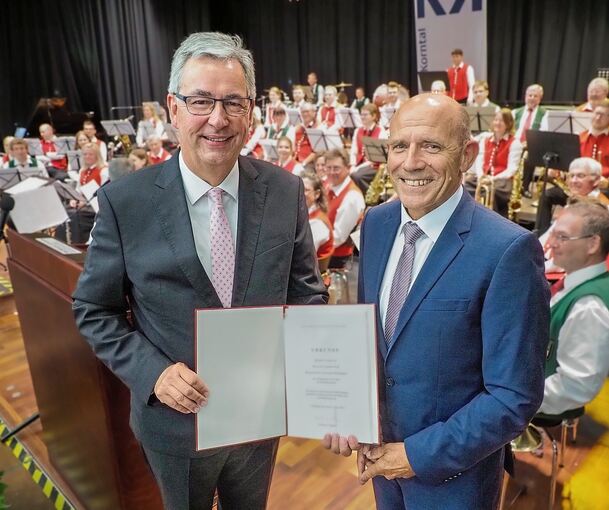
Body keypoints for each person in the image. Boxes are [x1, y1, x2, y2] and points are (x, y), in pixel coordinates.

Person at [72, 31, 327, 510]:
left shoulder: (286, 191)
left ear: (251, 111)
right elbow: (93, 310)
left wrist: (320, 369)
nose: (218, 118)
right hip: (174, 425)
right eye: (201, 100)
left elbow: (307, 294)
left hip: (258, 420)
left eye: (233, 102)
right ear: (172, 108)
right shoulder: (124, 202)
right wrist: (154, 373)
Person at [323, 93, 549, 509]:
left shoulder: (508, 250)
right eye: (398, 146)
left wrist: (412, 457)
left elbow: (513, 396)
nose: (410, 162)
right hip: (378, 463)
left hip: (454, 479)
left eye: (431, 146)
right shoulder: (376, 223)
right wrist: (345, 410)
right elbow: (373, 342)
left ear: (467, 155)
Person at [537, 202, 609, 417]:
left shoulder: (589, 306)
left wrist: (515, 398)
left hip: (538, 397)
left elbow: (577, 385)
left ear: (593, 244)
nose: (551, 244)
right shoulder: (579, 282)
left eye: (562, 237)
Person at [465, 108, 523, 217]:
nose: (497, 123)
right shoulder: (485, 139)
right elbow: (480, 161)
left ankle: (491, 220)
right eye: (496, 120)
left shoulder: (515, 143)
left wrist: (492, 179)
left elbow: (511, 169)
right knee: (465, 187)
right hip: (484, 176)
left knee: (492, 191)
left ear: (508, 123)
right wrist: (481, 176)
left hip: (502, 181)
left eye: (502, 121)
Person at [536, 157, 609, 235]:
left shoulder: (603, 210)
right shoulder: (572, 204)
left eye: (580, 176)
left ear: (596, 180)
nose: (574, 181)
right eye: (571, 176)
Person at [324, 148, 365, 269]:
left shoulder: (351, 197)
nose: (331, 172)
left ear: (347, 168)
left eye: (336, 168)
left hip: (335, 260)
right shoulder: (330, 186)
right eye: (328, 168)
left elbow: (338, 237)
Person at [512, 83, 548, 194]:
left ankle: (524, 187)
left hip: (533, 144)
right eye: (530, 95)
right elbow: (510, 130)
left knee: (528, 157)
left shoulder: (545, 114)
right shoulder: (516, 112)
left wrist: (528, 142)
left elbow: (543, 132)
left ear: (540, 98)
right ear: (525, 96)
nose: (532, 98)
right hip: (515, 142)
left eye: (535, 96)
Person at [349, 103, 388, 194]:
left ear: (374, 116)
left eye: (365, 115)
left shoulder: (381, 131)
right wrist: (352, 165)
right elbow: (353, 152)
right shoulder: (357, 130)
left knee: (357, 176)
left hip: (374, 166)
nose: (362, 117)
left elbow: (378, 157)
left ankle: (369, 196)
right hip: (359, 165)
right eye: (361, 114)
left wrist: (357, 168)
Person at [302, 171, 334, 267]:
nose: (301, 193)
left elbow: (304, 257)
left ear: (317, 194)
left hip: (312, 277)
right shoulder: (305, 211)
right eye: (299, 189)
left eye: (306, 190)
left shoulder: (317, 223)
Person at [579, 98, 609, 177]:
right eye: (596, 113)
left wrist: (607, 182)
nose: (598, 118)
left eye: (603, 115)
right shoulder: (580, 137)